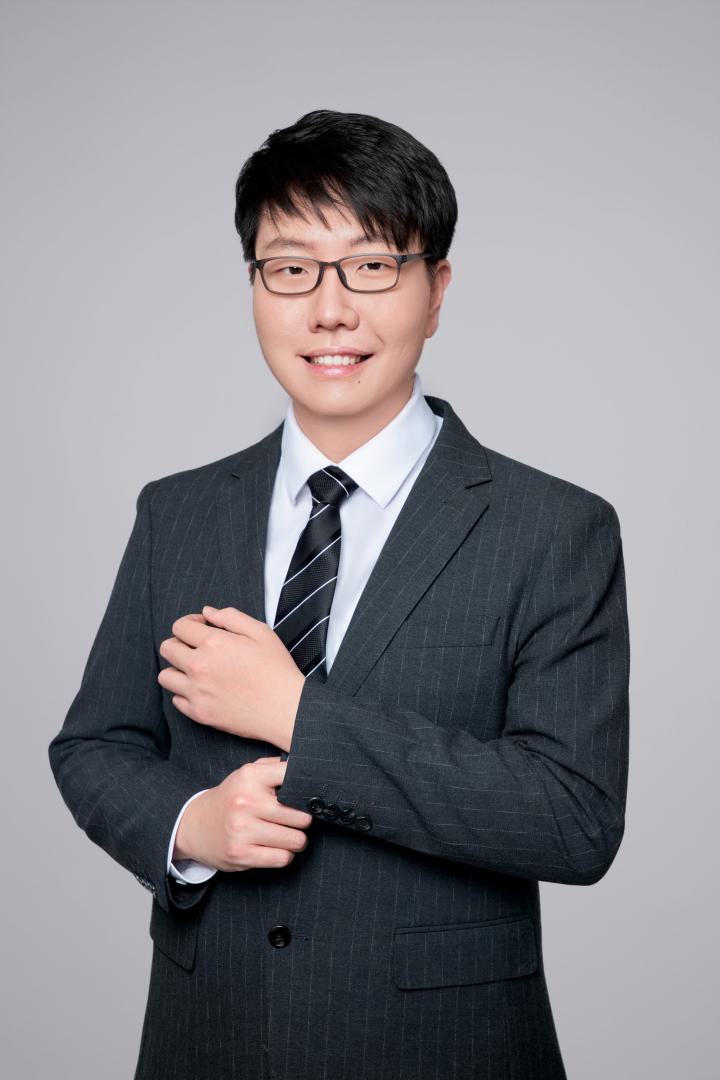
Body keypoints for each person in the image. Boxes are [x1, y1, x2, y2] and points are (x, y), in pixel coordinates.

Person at [48, 108, 630, 1080]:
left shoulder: (553, 530)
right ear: (254, 286)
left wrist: (297, 717)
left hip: (444, 1050)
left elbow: (573, 819)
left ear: (436, 291)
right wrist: (191, 828)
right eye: (290, 269)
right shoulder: (177, 512)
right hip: (208, 1042)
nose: (329, 310)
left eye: (371, 266)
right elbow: (95, 747)